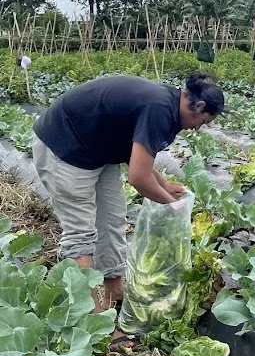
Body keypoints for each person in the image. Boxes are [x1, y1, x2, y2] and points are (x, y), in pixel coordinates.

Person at [32, 72, 224, 339]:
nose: (198, 128)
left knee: (112, 221)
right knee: (81, 235)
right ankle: (95, 322)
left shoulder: (168, 105)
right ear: (198, 106)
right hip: (66, 147)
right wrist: (172, 206)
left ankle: (114, 292)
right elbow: (138, 178)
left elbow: (137, 157)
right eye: (203, 122)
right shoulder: (160, 108)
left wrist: (164, 185)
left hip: (98, 150)